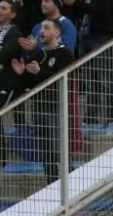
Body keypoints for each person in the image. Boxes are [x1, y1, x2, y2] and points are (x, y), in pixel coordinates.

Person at [59, 0, 113, 124]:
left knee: (106, 78)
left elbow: (102, 9)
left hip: (102, 35)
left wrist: (76, 3)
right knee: (90, 79)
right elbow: (86, 8)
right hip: (87, 33)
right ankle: (91, 118)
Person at [12, 19, 75, 183]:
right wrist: (21, 74)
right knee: (45, 150)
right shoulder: (38, 55)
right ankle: (51, 184)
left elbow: (61, 79)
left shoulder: (64, 53)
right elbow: (29, 83)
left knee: (57, 148)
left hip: (56, 107)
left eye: (47, 27)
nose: (42, 30)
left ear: (57, 33)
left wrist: (39, 72)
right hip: (39, 106)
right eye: (40, 27)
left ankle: (68, 184)